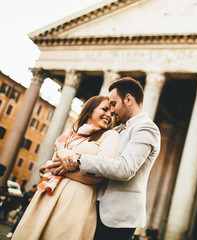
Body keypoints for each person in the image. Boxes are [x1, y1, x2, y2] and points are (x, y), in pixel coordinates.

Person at [51, 77, 161, 240]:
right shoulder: (117, 129)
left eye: (114, 103)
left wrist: (79, 159)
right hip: (96, 210)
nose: (112, 110)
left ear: (128, 99)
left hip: (118, 218)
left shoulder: (146, 128)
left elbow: (125, 169)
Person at [12, 95, 121, 240]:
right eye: (105, 109)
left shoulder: (110, 135)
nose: (109, 115)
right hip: (47, 197)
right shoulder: (69, 135)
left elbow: (99, 175)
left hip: (75, 202)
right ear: (89, 111)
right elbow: (49, 167)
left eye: (112, 113)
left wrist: (53, 169)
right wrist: (50, 167)